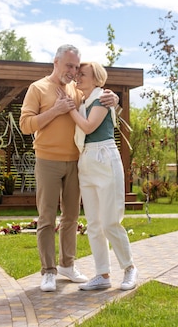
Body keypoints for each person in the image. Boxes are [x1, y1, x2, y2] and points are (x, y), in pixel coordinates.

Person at [19, 44, 118, 292]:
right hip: (48, 160)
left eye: (76, 67)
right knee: (47, 217)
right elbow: (25, 125)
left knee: (72, 217)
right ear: (56, 62)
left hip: (76, 161)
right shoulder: (38, 88)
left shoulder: (78, 90)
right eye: (69, 66)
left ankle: (67, 265)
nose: (73, 71)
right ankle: (48, 271)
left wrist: (114, 98)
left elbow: (98, 104)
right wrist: (55, 110)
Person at [69, 61, 138, 291]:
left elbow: (88, 127)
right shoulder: (82, 101)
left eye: (82, 74)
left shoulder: (102, 98)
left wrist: (68, 109)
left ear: (97, 79)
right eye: (77, 74)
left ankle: (129, 268)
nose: (77, 77)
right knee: (94, 224)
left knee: (110, 221)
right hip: (86, 160)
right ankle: (102, 274)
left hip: (104, 157)